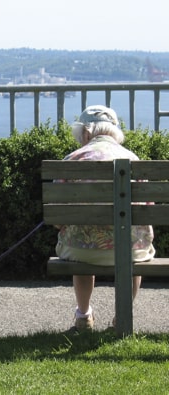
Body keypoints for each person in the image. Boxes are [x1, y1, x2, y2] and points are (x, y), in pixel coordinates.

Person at [55, 105, 155, 332]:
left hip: (82, 250)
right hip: (132, 249)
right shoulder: (132, 159)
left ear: (87, 132)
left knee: (80, 241)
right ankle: (122, 317)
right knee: (134, 250)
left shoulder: (72, 160)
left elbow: (58, 218)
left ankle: (83, 316)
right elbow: (147, 210)